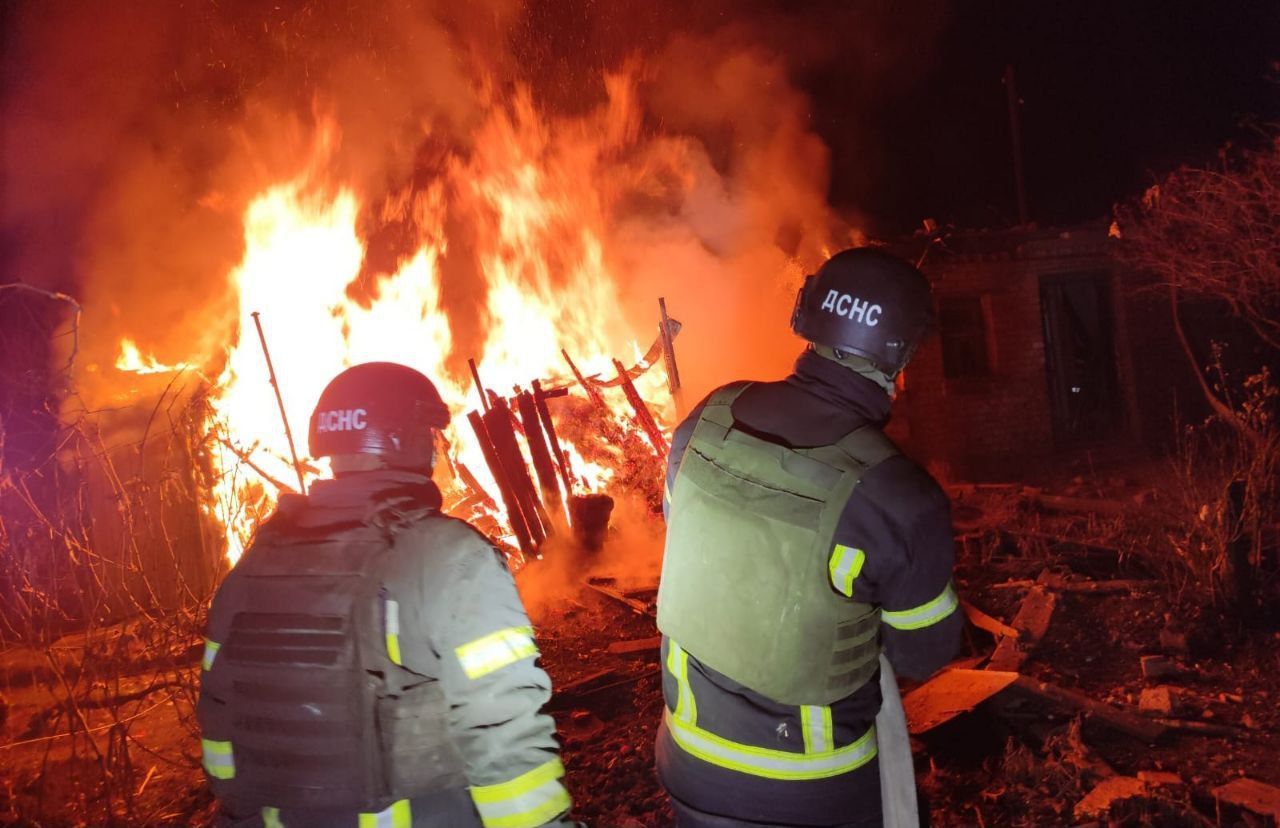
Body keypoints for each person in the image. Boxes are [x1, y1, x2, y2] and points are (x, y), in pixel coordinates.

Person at [655, 248, 963, 828]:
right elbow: (926, 650)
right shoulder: (897, 494)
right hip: (807, 792)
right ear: (903, 356)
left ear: (808, 318)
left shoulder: (708, 419)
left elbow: (693, 542)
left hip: (687, 759)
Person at [197, 362, 572, 828]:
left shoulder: (252, 568)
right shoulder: (450, 558)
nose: (440, 448)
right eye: (434, 434)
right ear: (407, 439)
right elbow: (505, 739)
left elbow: (219, 729)